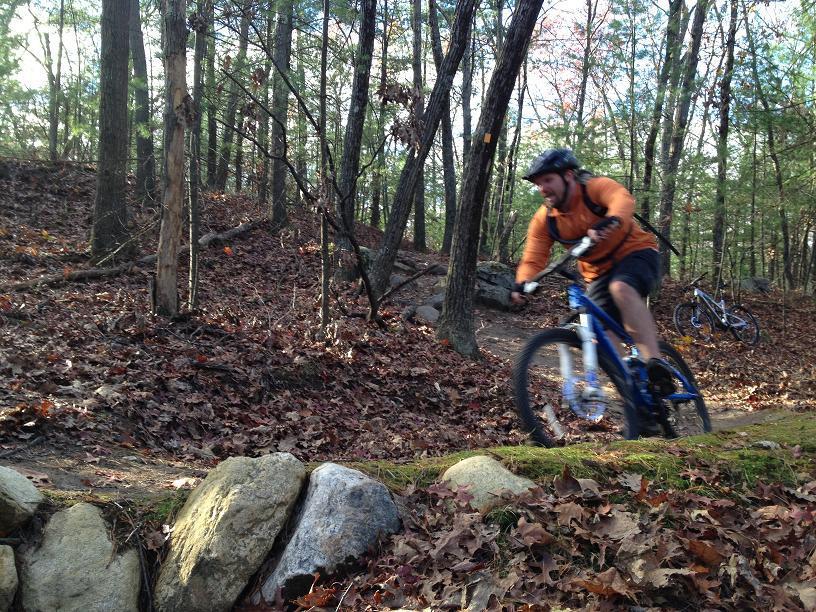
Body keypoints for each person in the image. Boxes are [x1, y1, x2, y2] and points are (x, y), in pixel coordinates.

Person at [511, 147, 675, 397]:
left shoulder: (594, 189)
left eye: (547, 180)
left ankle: (654, 362)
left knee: (621, 288)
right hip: (597, 272)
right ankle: (635, 392)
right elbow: (533, 257)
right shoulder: (546, 219)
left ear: (568, 176)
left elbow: (621, 199)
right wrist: (522, 283)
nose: (542, 188)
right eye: (538, 183)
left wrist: (612, 220)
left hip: (637, 253)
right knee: (601, 329)